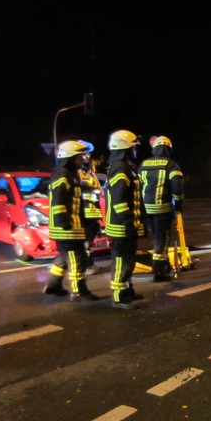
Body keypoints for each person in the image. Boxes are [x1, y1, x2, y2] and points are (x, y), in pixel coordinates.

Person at [44, 140, 100, 302]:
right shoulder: (63, 174)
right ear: (70, 157)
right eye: (79, 156)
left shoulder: (69, 173)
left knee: (64, 257)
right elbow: (59, 200)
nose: (83, 158)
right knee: (78, 258)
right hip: (67, 227)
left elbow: (71, 194)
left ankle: (53, 285)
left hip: (68, 226)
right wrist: (64, 223)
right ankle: (79, 292)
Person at [105, 129, 145, 310]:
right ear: (125, 148)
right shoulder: (120, 168)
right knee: (122, 260)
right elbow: (119, 201)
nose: (135, 151)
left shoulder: (125, 167)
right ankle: (119, 297)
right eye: (133, 148)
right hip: (121, 226)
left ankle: (128, 291)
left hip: (127, 224)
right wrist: (128, 221)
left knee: (128, 260)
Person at [138, 135, 185, 282]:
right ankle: (159, 271)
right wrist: (178, 206)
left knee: (156, 238)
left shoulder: (144, 164)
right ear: (168, 149)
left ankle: (163, 265)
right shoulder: (171, 164)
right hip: (162, 208)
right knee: (162, 239)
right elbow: (177, 187)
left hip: (146, 209)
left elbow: (138, 186)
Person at [77, 142, 104, 274]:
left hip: (92, 213)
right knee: (84, 242)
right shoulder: (76, 172)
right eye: (84, 153)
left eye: (88, 153)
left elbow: (99, 190)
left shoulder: (88, 172)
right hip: (83, 214)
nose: (87, 156)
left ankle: (89, 263)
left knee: (90, 242)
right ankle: (85, 266)